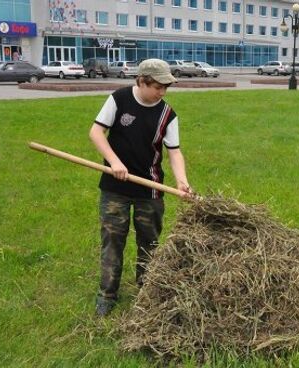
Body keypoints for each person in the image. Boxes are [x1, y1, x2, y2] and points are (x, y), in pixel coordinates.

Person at [89, 58, 193, 316]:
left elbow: (175, 152)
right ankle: (107, 294)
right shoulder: (119, 99)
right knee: (113, 240)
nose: (163, 92)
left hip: (150, 189)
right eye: (158, 86)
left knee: (149, 242)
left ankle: (147, 291)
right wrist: (114, 162)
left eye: (166, 87)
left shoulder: (167, 114)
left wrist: (182, 181)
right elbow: (96, 132)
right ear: (142, 81)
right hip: (115, 186)